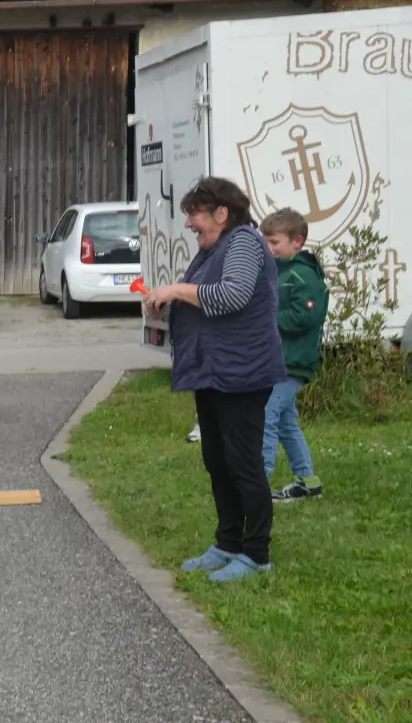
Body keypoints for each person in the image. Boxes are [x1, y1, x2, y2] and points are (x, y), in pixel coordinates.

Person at [142, 177, 287, 583]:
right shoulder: (214, 246)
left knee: (243, 463)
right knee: (217, 461)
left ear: (222, 213)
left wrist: (175, 289)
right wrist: (168, 303)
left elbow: (231, 295)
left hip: (242, 373)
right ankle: (228, 543)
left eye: (194, 215)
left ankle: (257, 554)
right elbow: (204, 298)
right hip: (214, 373)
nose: (189, 224)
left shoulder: (242, 241)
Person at [259, 208, 327, 502]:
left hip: (292, 362)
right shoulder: (280, 271)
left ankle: (258, 483)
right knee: (286, 422)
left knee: (266, 415)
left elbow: (306, 317)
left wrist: (267, 317)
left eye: (274, 243)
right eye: (266, 242)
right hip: (277, 360)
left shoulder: (302, 275)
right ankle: (307, 481)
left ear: (297, 242)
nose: (269, 248)